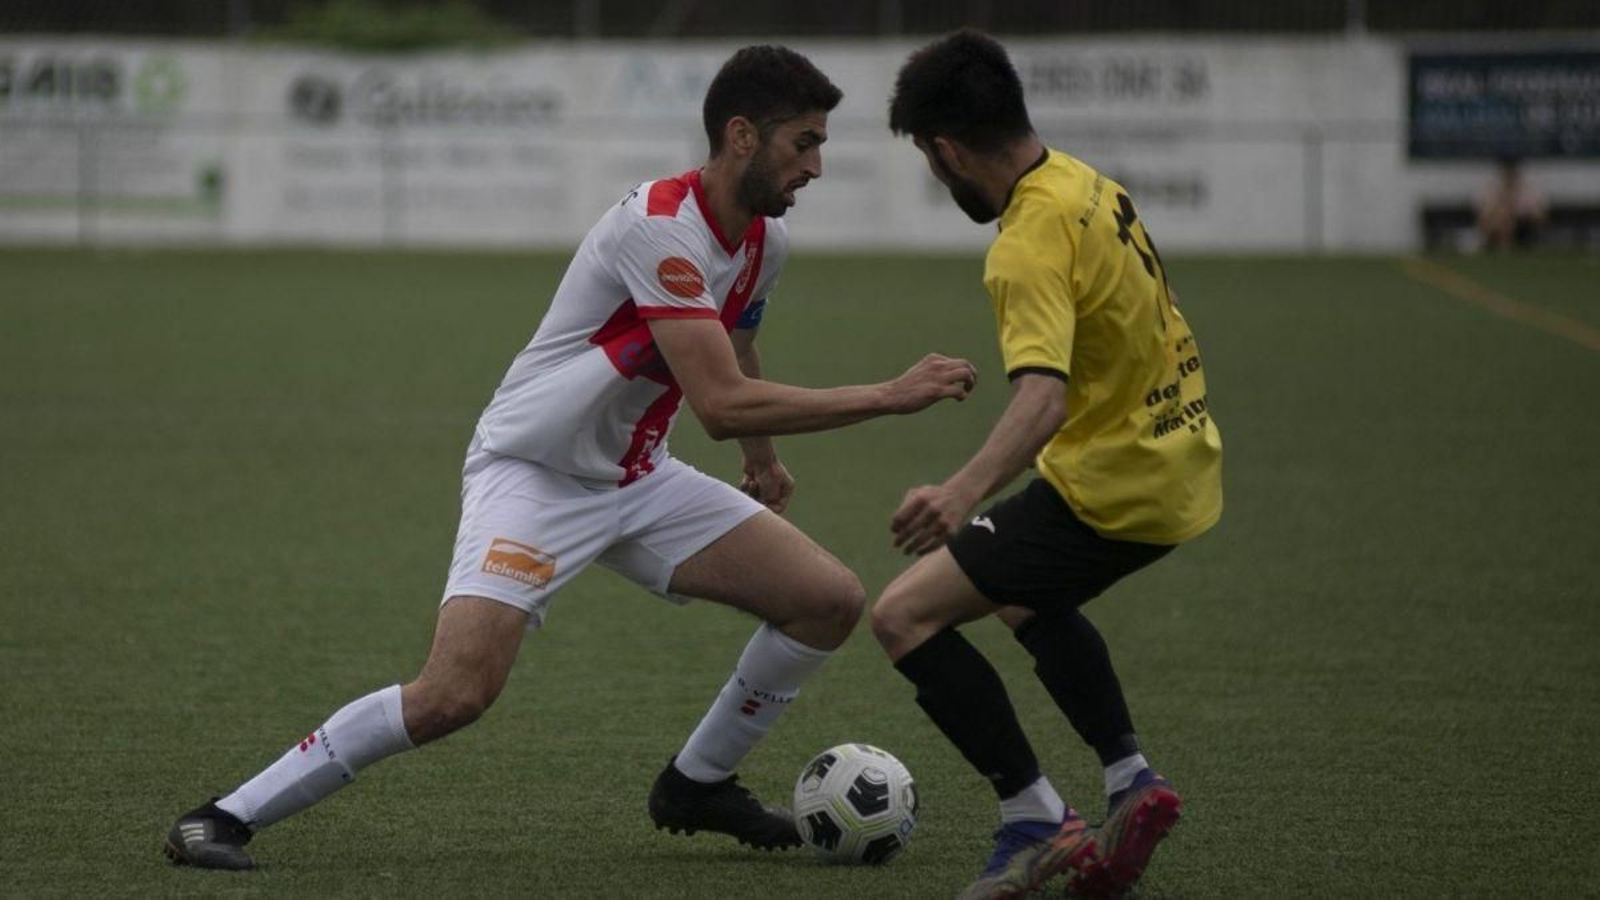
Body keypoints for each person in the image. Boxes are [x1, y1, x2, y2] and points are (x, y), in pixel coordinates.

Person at [164, 44, 979, 870]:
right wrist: (888, 393)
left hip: (637, 474)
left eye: (821, 144)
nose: (816, 165)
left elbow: (738, 344)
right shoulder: (660, 228)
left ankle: (697, 783)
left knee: (827, 600)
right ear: (741, 136)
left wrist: (765, 463)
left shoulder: (764, 243)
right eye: (803, 143)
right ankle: (223, 817)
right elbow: (722, 405)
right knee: (455, 693)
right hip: (535, 474)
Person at [869, 30, 1223, 899]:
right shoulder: (1087, 183)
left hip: (1113, 487)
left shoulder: (1024, 240)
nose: (936, 175)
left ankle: (1033, 817)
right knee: (1021, 594)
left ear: (948, 150)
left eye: (929, 158)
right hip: (1179, 459)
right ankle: (1130, 779)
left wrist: (960, 492)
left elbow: (1042, 400)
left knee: (902, 617)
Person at [1476, 156, 1547, 251]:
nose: (1509, 175)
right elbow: (1483, 217)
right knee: (1501, 216)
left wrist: (1516, 216)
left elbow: (1540, 216)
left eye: (1512, 171)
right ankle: (1501, 245)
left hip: (1523, 228)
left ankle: (1507, 244)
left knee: (1506, 218)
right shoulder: (1491, 188)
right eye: (1506, 172)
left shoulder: (1529, 188)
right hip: (1496, 228)